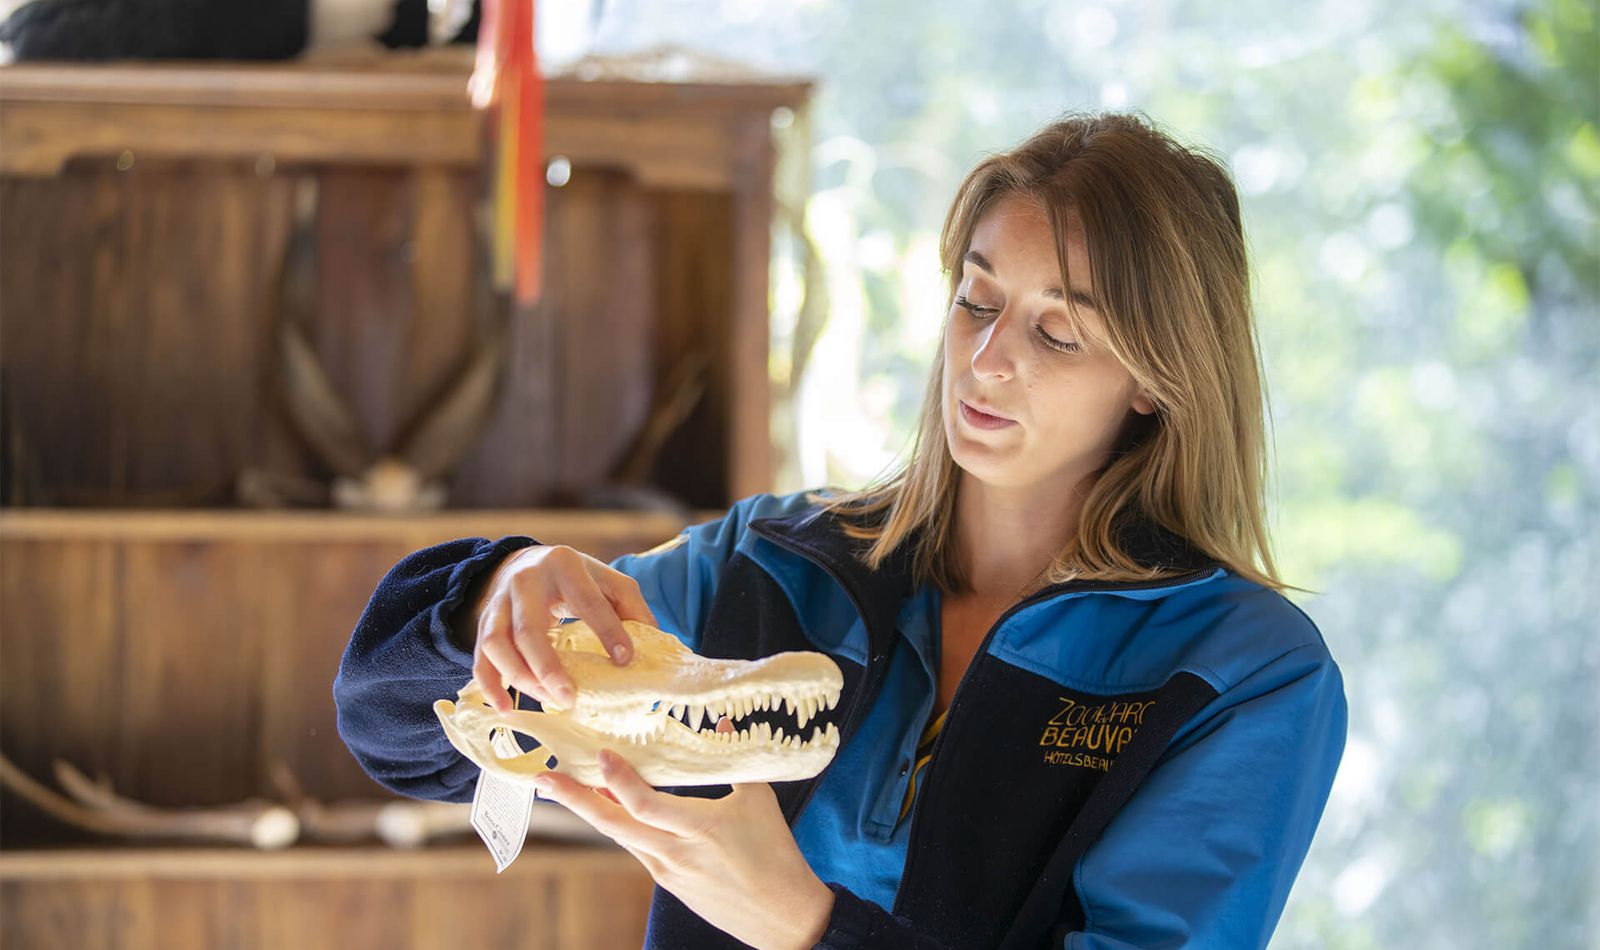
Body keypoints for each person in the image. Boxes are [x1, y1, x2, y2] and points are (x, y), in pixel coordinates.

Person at [334, 111, 1348, 950]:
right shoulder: (769, 565)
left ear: (1156, 381)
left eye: (1057, 331)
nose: (987, 360)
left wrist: (802, 920)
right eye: (976, 298)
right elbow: (389, 725)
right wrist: (491, 591)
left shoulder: (1241, 674)